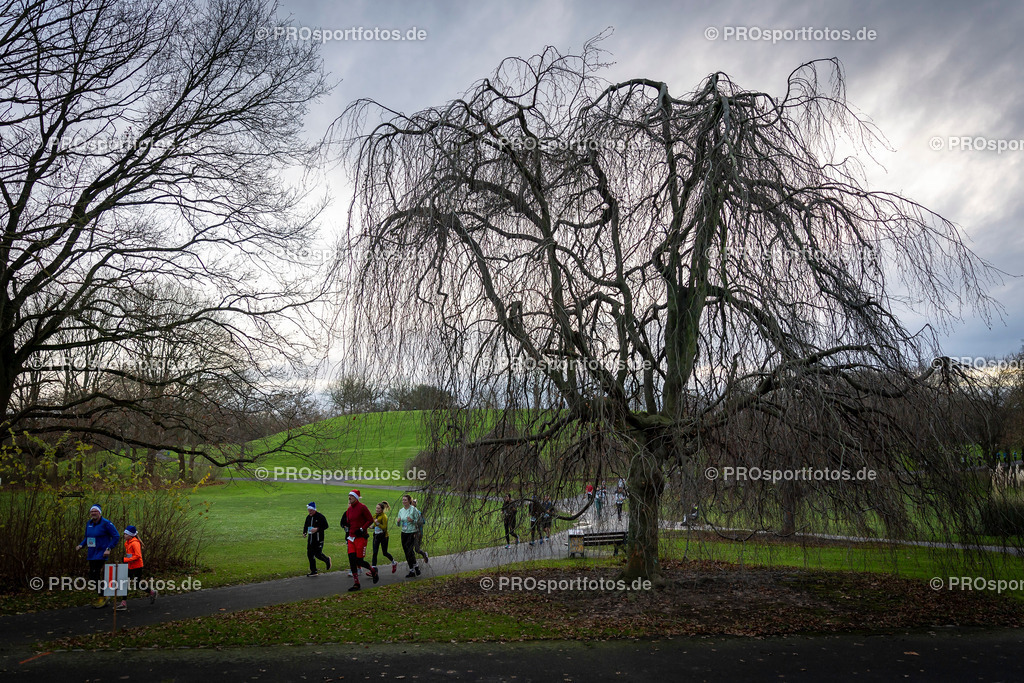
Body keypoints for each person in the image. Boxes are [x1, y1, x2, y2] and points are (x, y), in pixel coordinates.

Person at [75, 504, 119, 608]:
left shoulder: (106, 523)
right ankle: (103, 595)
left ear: (100, 513)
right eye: (92, 512)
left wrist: (109, 548)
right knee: (93, 576)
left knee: (94, 574)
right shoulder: (89, 523)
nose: (93, 513)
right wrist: (81, 545)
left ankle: (103, 596)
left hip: (101, 553)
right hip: (91, 553)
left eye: (95, 511)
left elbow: (116, 536)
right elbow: (87, 537)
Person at [115, 525, 157, 610]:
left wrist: (126, 559)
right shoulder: (127, 543)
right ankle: (123, 603)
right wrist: (127, 560)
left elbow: (138, 556)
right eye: (124, 534)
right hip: (130, 566)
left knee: (137, 584)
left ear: (131, 535)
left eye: (126, 534)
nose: (124, 535)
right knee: (124, 582)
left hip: (137, 566)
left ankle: (152, 592)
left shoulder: (135, 543)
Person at [344, 490, 377, 591]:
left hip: (361, 537)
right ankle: (356, 583)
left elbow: (370, 520)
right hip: (351, 538)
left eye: (351, 496)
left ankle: (373, 571)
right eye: (349, 496)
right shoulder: (349, 510)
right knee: (351, 559)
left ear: (356, 497)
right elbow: (349, 522)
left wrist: (362, 529)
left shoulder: (362, 507)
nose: (349, 497)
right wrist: (347, 527)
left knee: (359, 560)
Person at [396, 494, 423, 577]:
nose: (403, 501)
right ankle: (412, 569)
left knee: (410, 551)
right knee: (406, 551)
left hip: (412, 532)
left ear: (409, 501)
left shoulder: (413, 510)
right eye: (403, 500)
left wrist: (412, 520)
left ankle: (415, 567)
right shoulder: (401, 510)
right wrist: (398, 521)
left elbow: (420, 521)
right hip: (404, 532)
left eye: (405, 500)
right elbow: (398, 524)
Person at [303, 502, 331, 576]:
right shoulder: (308, 517)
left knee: (318, 554)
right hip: (310, 539)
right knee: (310, 554)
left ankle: (327, 560)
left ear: (314, 510)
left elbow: (326, 526)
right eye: (308, 511)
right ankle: (314, 571)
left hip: (318, 539)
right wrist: (304, 532)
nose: (310, 512)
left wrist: (317, 529)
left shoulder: (320, 517)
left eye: (311, 511)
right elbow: (306, 525)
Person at [371, 501, 398, 573]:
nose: (377, 510)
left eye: (378, 508)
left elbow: (384, 527)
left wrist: (377, 523)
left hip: (384, 537)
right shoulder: (375, 515)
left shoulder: (384, 517)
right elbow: (373, 522)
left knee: (384, 553)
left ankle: (394, 562)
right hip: (376, 536)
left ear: (382, 509)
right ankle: (373, 569)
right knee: (375, 552)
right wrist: (373, 526)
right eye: (376, 508)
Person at [411, 498, 429, 564]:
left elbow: (422, 522)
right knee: (412, 549)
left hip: (417, 533)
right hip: (413, 533)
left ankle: (423, 555)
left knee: (416, 549)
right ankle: (413, 563)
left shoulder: (417, 512)